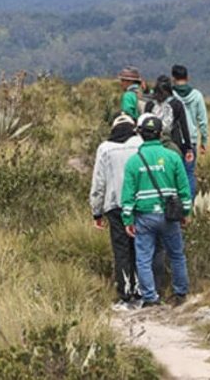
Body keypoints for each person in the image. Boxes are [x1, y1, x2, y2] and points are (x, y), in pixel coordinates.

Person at [121, 115, 192, 307]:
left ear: (142, 134)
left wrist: (127, 219)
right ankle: (180, 294)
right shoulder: (173, 158)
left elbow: (127, 195)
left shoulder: (133, 162)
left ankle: (150, 298)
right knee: (176, 254)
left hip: (144, 216)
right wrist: (186, 213)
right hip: (169, 216)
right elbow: (184, 189)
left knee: (143, 258)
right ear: (161, 134)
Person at [89, 114, 144, 310]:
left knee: (121, 250)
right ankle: (141, 292)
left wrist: (96, 212)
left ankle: (126, 295)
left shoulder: (105, 148)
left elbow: (99, 182)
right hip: (139, 204)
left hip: (114, 206)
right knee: (140, 247)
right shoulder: (140, 143)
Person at [172, 64, 208, 198]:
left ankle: (173, 206)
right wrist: (204, 141)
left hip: (173, 140)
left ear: (173, 78)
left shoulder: (171, 94)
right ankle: (189, 205)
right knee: (189, 174)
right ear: (187, 78)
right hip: (190, 141)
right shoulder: (197, 96)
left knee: (173, 174)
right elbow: (203, 121)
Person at [145, 76, 194, 163]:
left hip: (153, 142)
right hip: (173, 142)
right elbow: (184, 127)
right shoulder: (177, 104)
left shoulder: (150, 104)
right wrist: (188, 147)